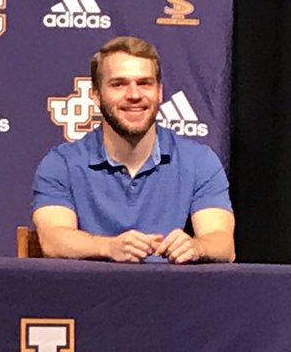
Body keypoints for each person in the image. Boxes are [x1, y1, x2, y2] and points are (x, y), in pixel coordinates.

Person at [31, 35, 234, 263]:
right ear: (96, 95)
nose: (134, 95)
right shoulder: (61, 164)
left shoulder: (199, 161)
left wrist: (196, 246)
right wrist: (109, 247)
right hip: (89, 295)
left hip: (171, 294)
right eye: (119, 84)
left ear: (160, 92)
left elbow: (223, 245)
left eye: (145, 83)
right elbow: (53, 240)